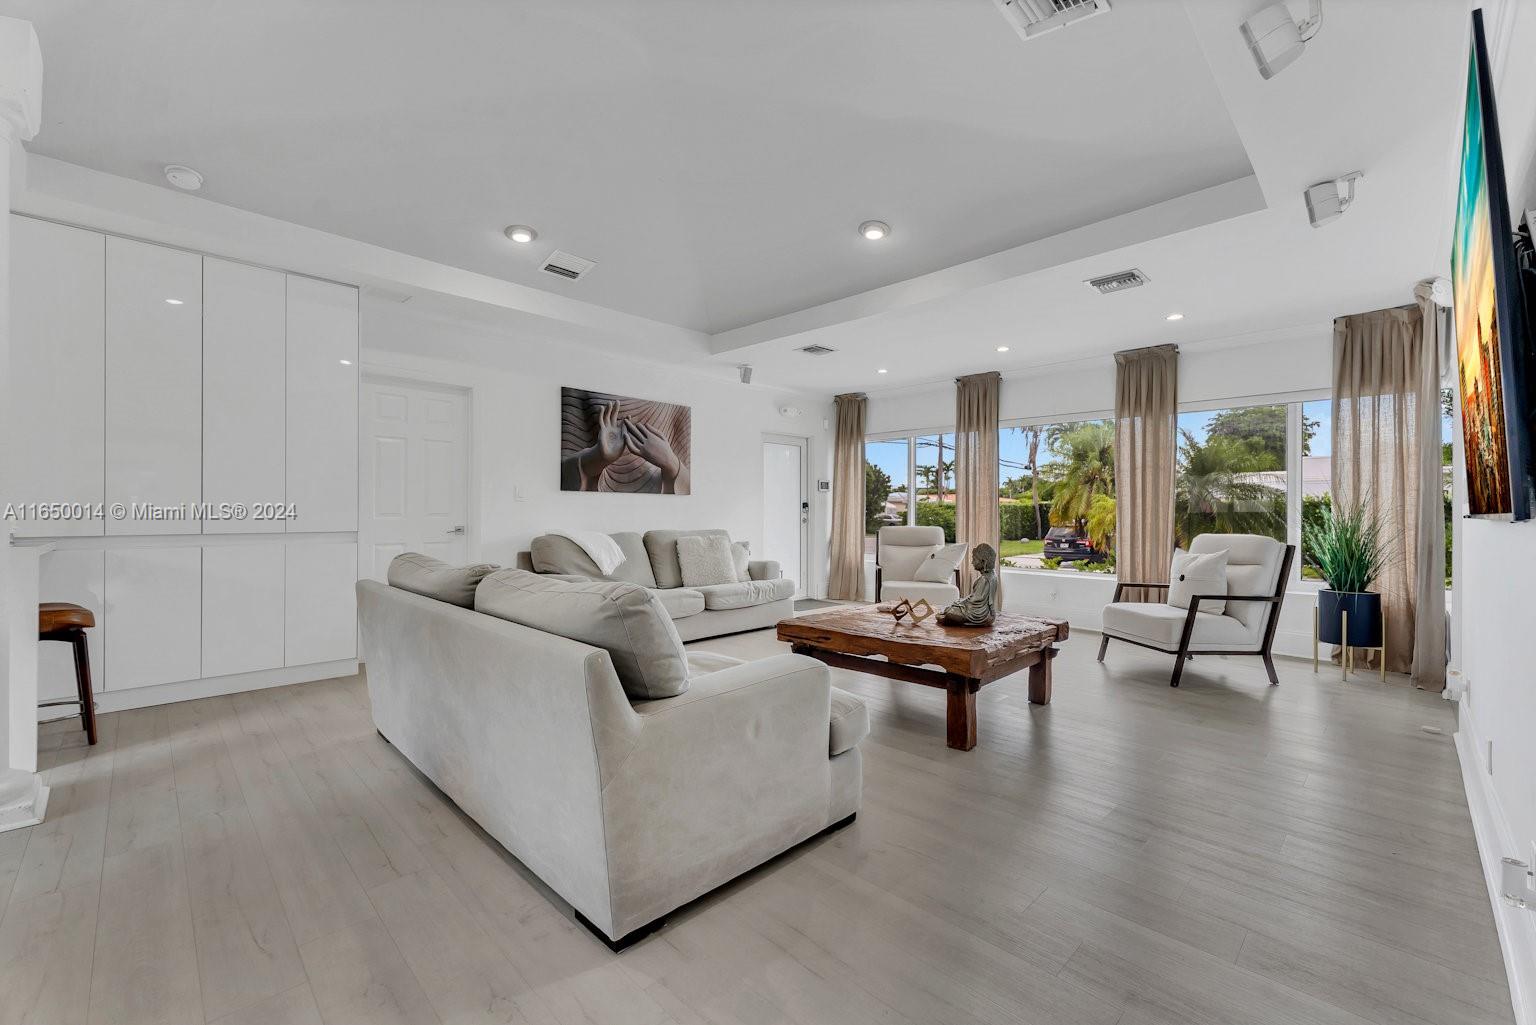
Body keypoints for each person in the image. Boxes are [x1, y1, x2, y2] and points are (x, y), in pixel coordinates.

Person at [940, 543, 999, 626]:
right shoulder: (992, 575)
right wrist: (960, 601)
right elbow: (975, 597)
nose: (972, 562)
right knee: (952, 608)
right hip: (985, 612)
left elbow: (974, 601)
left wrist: (959, 604)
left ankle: (948, 618)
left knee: (950, 612)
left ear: (983, 562)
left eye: (974, 559)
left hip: (978, 614)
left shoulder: (984, 579)